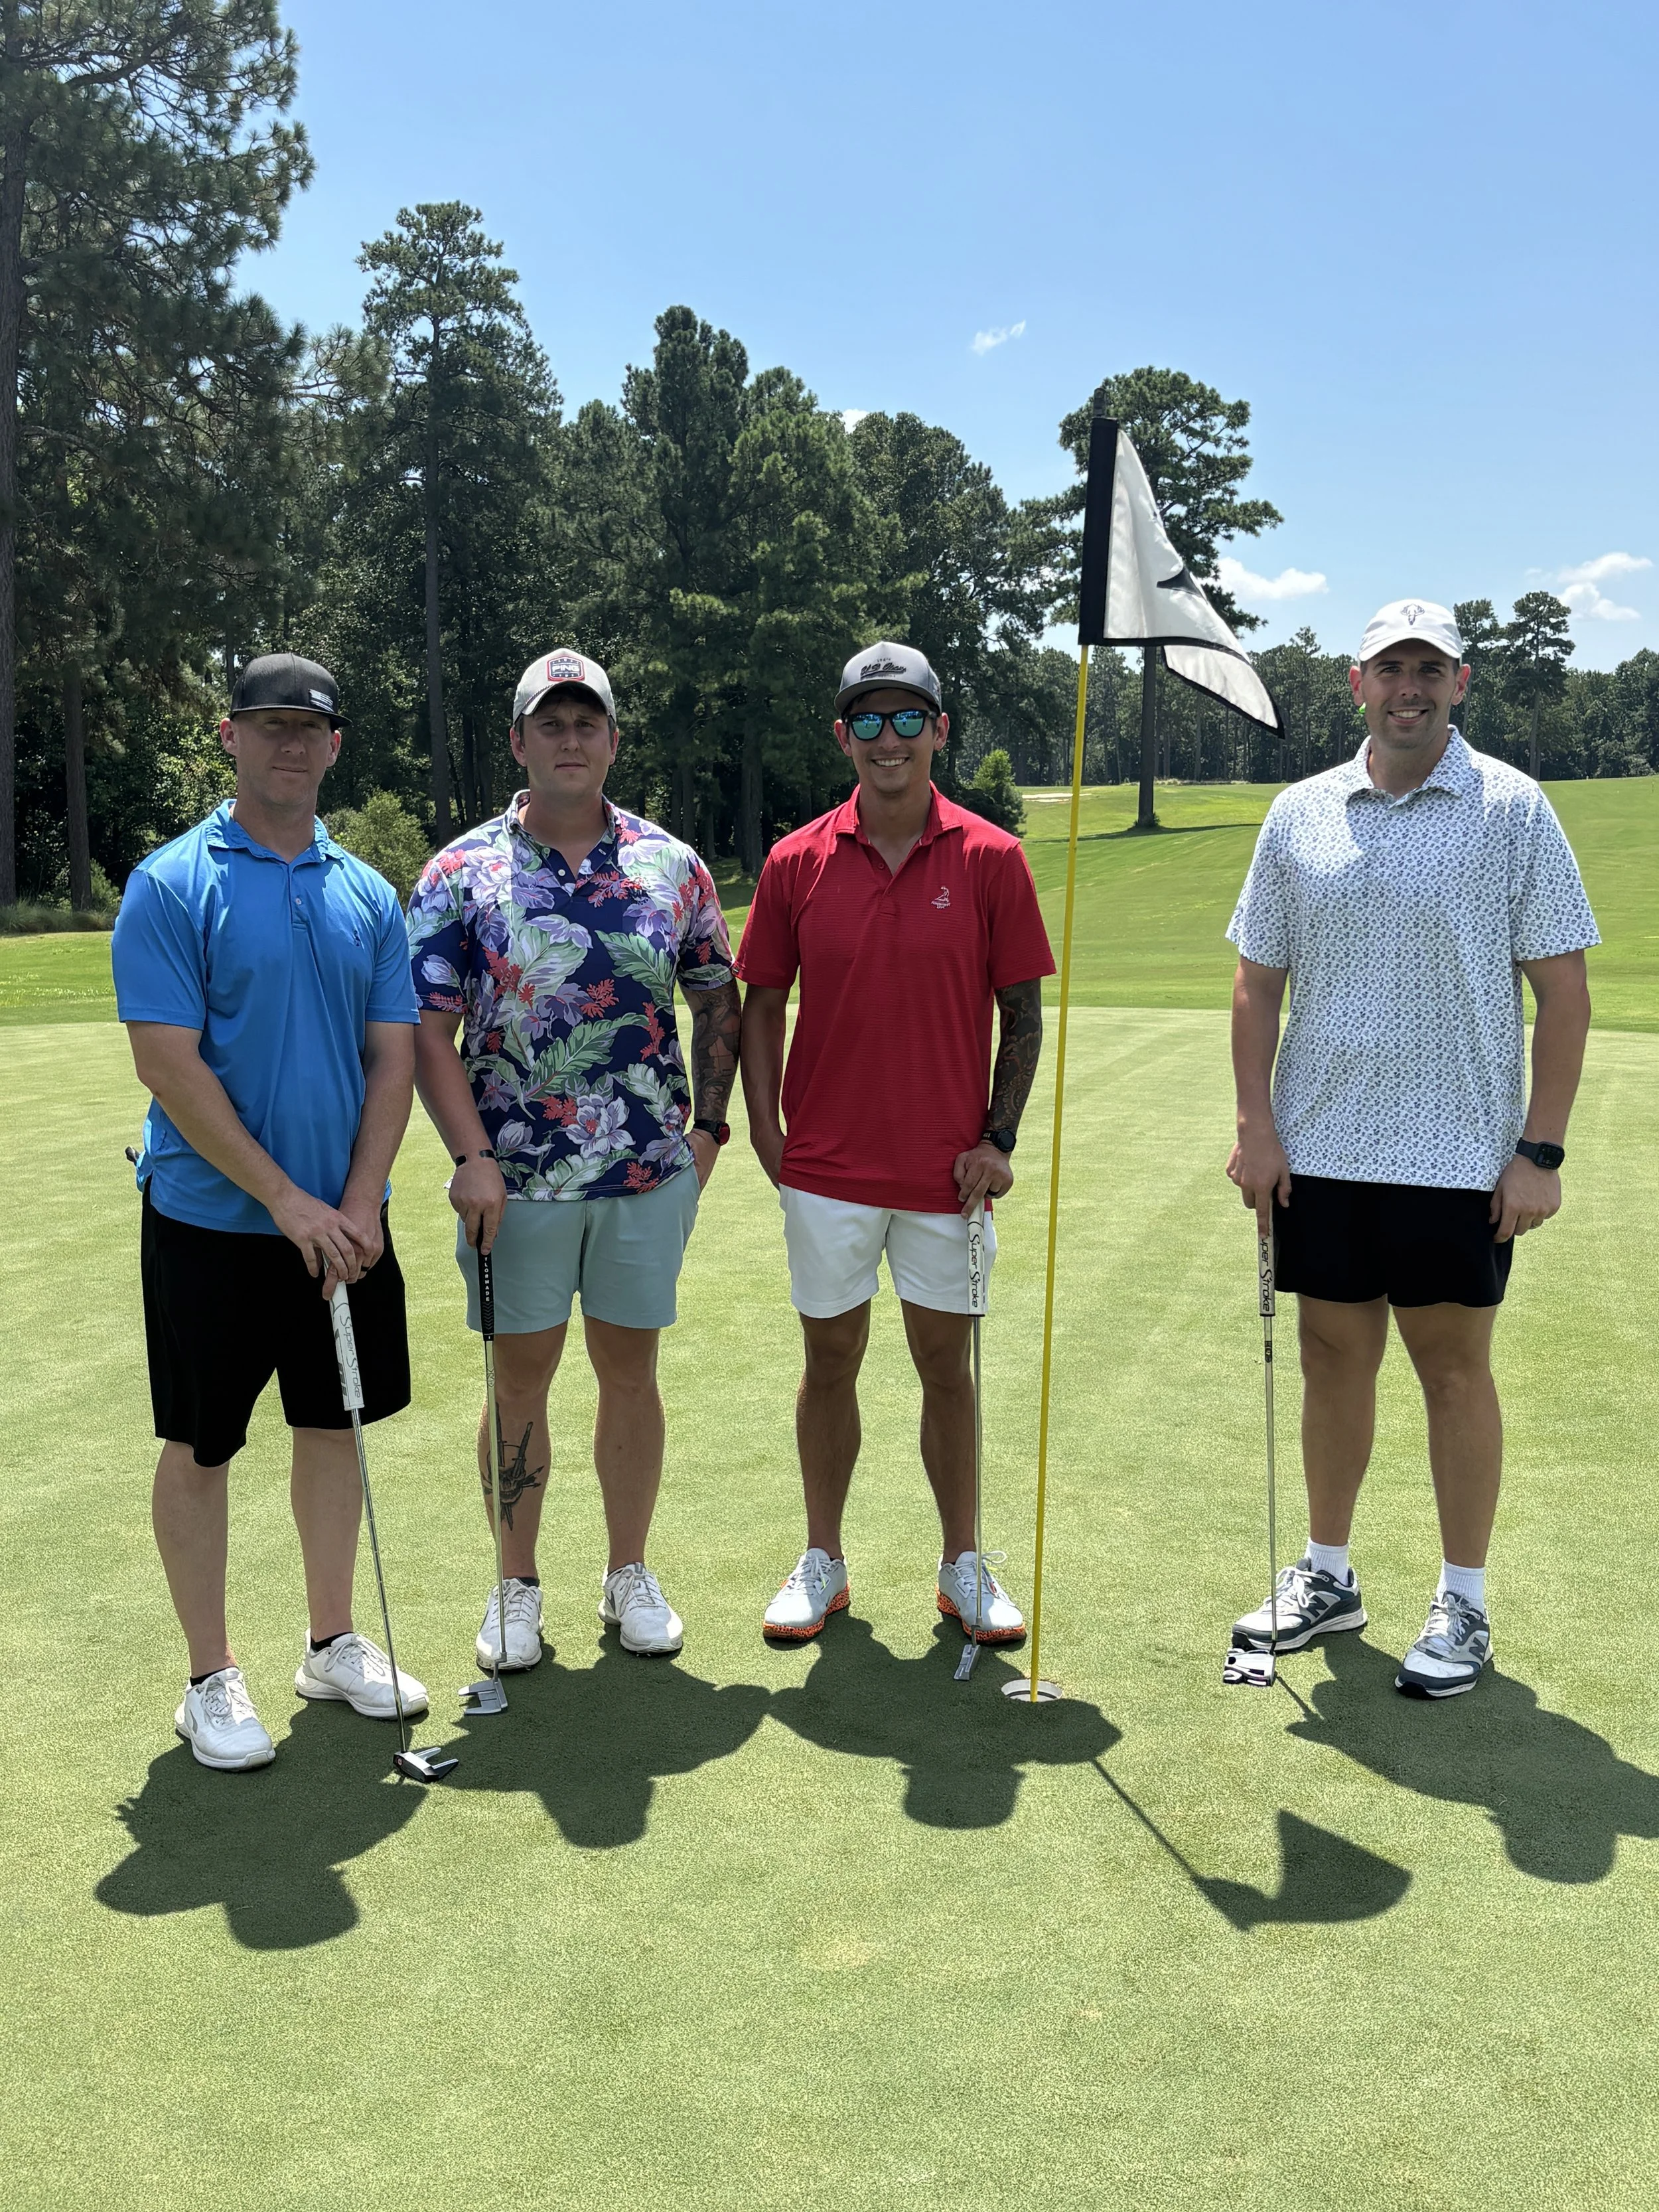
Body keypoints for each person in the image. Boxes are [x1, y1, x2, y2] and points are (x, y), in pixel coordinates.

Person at [1225, 599, 1599, 1697]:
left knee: (1452, 1371)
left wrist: (1542, 1151)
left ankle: (1465, 1601)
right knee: (1333, 1360)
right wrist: (1257, 1127)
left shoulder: (1512, 809)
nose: (1410, 688)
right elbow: (1257, 983)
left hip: (1458, 1156)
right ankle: (1330, 1577)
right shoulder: (1301, 813)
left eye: (1429, 668)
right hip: (1323, 1146)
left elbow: (1564, 997)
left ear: (1462, 682)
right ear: (1358, 683)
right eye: (1392, 668)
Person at [111, 653, 426, 1772]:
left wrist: (355, 1200)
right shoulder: (172, 880)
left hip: (344, 1228)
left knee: (333, 1427)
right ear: (232, 737)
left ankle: (330, 1642)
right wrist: (288, 1199)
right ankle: (210, 1677)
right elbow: (168, 1064)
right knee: (201, 1444)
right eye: (269, 724)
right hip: (210, 1224)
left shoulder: (368, 893)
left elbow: (393, 1058)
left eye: (311, 728)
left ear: (336, 746)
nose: (291, 744)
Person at [408, 648, 739, 1664]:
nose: (569, 738)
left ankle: (627, 1572)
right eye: (548, 723)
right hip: (514, 1185)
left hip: (645, 1174)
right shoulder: (459, 872)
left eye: (585, 722)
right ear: (518, 742)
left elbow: (717, 997)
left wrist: (711, 1130)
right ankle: (515, 1587)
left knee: (630, 1375)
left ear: (612, 740)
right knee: (520, 1381)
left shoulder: (669, 865)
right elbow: (428, 1030)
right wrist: (469, 1154)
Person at [737, 640, 1055, 1645]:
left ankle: (963, 1563)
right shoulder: (795, 862)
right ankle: (822, 1560)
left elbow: (1024, 1012)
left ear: (940, 731)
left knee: (943, 1364)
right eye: (868, 721)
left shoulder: (993, 857)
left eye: (907, 718)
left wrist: (999, 1137)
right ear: (843, 737)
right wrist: (764, 1126)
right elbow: (761, 1004)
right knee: (829, 1357)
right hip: (827, 1167)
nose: (889, 740)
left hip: (946, 1173)